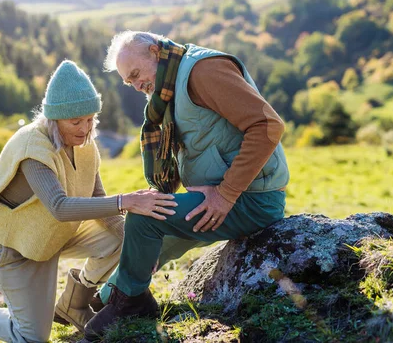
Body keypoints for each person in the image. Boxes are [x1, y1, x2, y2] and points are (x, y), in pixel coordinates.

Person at [0, 60, 177, 343]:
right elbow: (60, 207)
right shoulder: (33, 147)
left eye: (90, 120)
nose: (85, 129)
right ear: (54, 120)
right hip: (12, 246)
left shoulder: (85, 145)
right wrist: (126, 201)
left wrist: (136, 246)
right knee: (31, 337)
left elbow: (98, 200)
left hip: (52, 234)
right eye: (75, 122)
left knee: (121, 236)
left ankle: (73, 304)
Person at [82, 31, 290, 341]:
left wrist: (225, 194)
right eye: (129, 82)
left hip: (250, 198)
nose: (137, 85)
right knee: (152, 220)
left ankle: (129, 303)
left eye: (137, 74)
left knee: (145, 215)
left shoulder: (204, 71)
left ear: (155, 52)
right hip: (216, 194)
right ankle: (118, 291)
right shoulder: (170, 87)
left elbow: (268, 125)